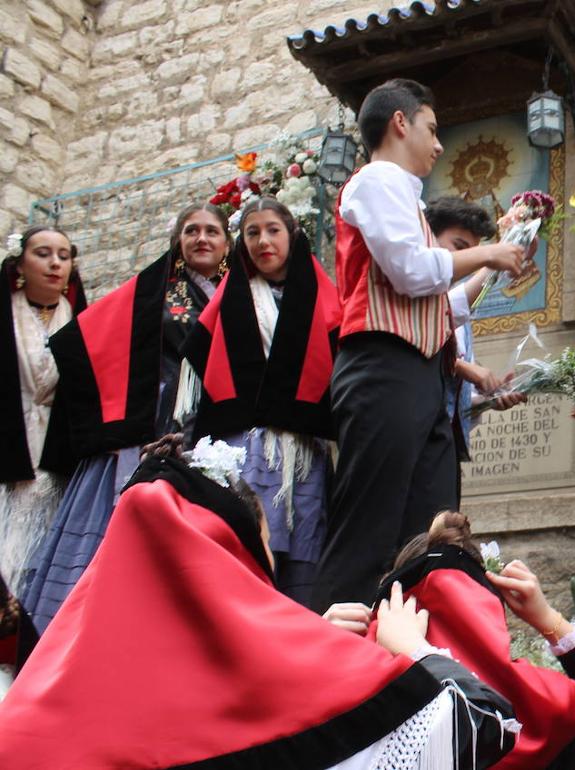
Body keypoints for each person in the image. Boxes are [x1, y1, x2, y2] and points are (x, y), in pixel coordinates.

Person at [0, 449, 517, 768]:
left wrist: (301, 641)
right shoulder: (299, 685)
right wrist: (413, 650)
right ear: (237, 553)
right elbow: (484, 723)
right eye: (268, 545)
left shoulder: (25, 714)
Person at [315, 78, 523, 611]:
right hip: (383, 366)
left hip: (419, 375)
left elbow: (440, 305)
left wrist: (504, 252)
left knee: (427, 528)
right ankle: (336, 650)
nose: (437, 145)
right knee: (370, 523)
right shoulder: (376, 180)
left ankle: (409, 647)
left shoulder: (406, 200)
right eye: (432, 129)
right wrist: (488, 255)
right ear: (400, 122)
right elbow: (411, 273)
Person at [21, 208, 225, 633]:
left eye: (212, 231)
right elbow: (88, 338)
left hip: (215, 426)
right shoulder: (154, 290)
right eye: (191, 231)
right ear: (178, 243)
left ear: (226, 244)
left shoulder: (240, 292)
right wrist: (114, 405)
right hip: (151, 421)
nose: (201, 238)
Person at [326, 510, 575, 769]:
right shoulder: (532, 701)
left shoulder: (344, 690)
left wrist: (321, 645)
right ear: (484, 614)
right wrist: (547, 618)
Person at [181, 196, 340, 605]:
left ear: (292, 235)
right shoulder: (232, 296)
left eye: (273, 230)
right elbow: (200, 360)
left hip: (301, 452)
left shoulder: (322, 295)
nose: (262, 241)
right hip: (245, 447)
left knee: (303, 548)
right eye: (252, 233)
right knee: (243, 546)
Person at [0, 225, 85, 668]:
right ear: (19, 265)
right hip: (10, 448)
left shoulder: (80, 318)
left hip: (55, 459)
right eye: (43, 253)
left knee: (40, 564)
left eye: (63, 255)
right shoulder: (7, 312)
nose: (55, 264)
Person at [425, 196, 525, 504]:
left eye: (473, 251)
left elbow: (457, 304)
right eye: (458, 246)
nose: (467, 260)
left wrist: (486, 401)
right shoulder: (410, 291)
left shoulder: (452, 307)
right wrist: (465, 368)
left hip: (446, 443)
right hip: (417, 435)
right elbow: (421, 342)